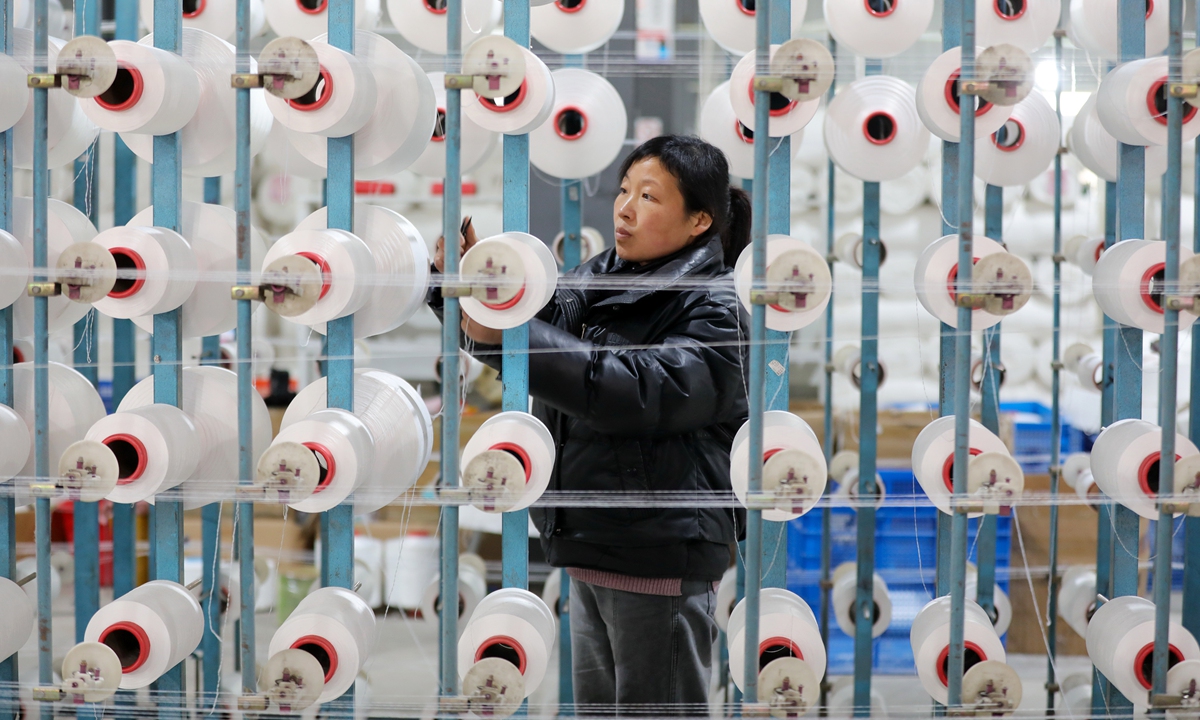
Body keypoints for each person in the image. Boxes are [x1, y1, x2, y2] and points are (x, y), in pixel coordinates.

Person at [431, 135, 750, 716]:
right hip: (589, 540)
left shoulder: (715, 306)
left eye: (649, 197)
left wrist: (515, 329)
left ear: (700, 220)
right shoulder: (597, 279)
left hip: (658, 549)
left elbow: (641, 391)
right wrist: (472, 293)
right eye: (624, 189)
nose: (625, 208)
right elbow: (530, 328)